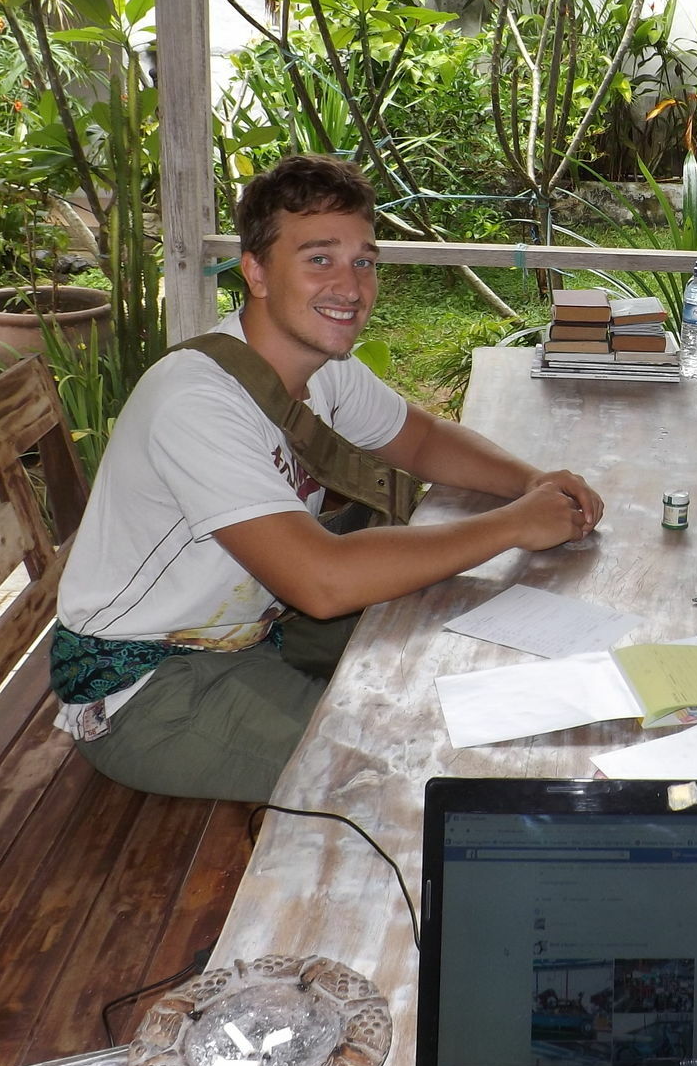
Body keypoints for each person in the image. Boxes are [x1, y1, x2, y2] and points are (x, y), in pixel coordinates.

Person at [50, 153, 603, 801]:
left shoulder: (320, 364)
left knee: (462, 637)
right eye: (319, 259)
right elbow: (322, 580)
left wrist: (535, 485)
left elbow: (420, 439)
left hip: (251, 631)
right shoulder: (197, 402)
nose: (350, 285)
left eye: (363, 261)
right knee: (387, 784)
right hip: (147, 687)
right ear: (255, 272)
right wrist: (513, 524)